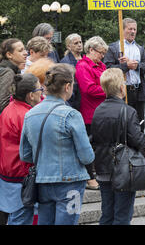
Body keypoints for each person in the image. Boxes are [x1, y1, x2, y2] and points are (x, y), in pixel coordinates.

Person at [19, 64, 94, 225]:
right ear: (67, 86)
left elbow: (25, 154)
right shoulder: (71, 114)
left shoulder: (30, 114)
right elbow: (87, 156)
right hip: (70, 179)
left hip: (43, 179)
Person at [91, 68, 145, 225]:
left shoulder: (98, 110)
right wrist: (143, 153)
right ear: (122, 88)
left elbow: (95, 138)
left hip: (103, 168)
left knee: (107, 213)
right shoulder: (128, 111)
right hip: (123, 169)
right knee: (122, 215)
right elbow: (137, 140)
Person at [0, 74, 42, 225]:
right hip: (21, 174)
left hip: (9, 171)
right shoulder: (26, 115)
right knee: (21, 218)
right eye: (40, 89)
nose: (42, 92)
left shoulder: (9, 109)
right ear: (31, 95)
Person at [104, 18, 145, 132]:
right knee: (123, 123)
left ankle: (140, 148)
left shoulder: (139, 48)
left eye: (135, 29)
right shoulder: (114, 48)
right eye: (130, 29)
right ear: (122, 30)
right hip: (122, 92)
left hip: (138, 91)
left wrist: (137, 66)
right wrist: (126, 66)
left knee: (139, 123)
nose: (133, 32)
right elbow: (108, 69)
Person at [75, 36, 108, 190]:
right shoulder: (82, 66)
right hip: (89, 113)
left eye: (103, 53)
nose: (102, 56)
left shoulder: (100, 65)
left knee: (102, 145)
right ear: (91, 50)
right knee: (89, 146)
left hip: (102, 111)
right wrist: (109, 90)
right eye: (100, 52)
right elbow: (88, 89)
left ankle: (101, 173)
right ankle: (90, 177)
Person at [0, 38, 28, 113]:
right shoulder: (8, 73)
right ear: (9, 55)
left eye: (25, 49)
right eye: (20, 50)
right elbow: (3, 103)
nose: (25, 53)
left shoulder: (11, 70)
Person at [61, 33, 83, 110]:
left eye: (80, 42)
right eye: (76, 43)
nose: (79, 45)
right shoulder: (65, 62)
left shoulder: (86, 58)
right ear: (69, 47)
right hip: (73, 102)